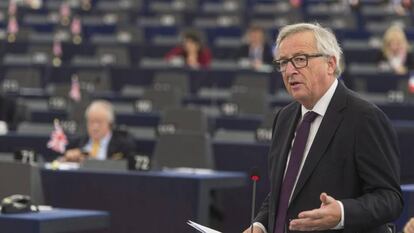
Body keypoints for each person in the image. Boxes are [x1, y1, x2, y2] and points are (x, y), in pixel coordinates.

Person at [243, 23, 403, 233]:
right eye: (283, 62)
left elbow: (389, 198)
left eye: (300, 59)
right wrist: (261, 225)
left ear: (330, 63)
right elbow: (285, 189)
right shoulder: (284, 117)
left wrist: (343, 213)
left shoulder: (365, 118)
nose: (290, 71)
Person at [63, 100, 136, 162]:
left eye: (99, 122)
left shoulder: (123, 145)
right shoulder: (77, 143)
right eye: (91, 122)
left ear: (110, 124)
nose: (95, 127)